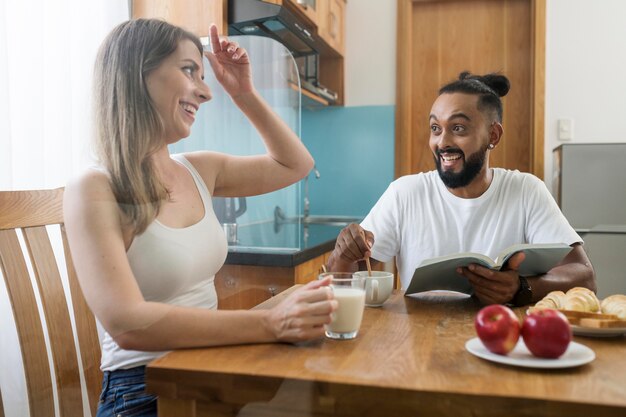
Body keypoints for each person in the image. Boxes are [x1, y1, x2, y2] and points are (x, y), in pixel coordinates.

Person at [64, 19, 337, 417]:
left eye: (205, 77)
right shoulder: (94, 187)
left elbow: (296, 164)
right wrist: (270, 322)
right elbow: (126, 324)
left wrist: (243, 93)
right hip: (145, 392)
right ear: (137, 72)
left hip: (209, 368)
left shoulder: (199, 169)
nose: (207, 92)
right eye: (190, 70)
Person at [327, 72, 596, 306]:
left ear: (493, 135)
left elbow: (584, 276)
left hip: (501, 340)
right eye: (435, 128)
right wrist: (343, 253)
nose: (442, 142)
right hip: (417, 345)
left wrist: (521, 288)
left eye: (458, 128)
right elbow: (345, 281)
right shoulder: (405, 193)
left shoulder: (526, 190)